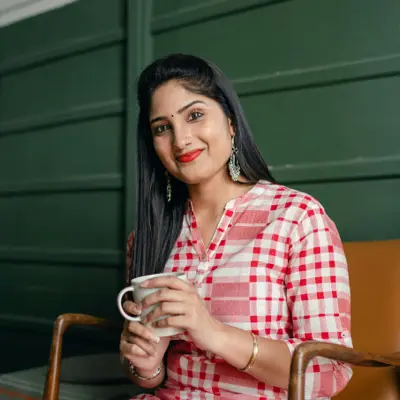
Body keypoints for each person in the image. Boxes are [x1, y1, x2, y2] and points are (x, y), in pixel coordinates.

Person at [119, 53, 353, 400]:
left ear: (230, 122)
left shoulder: (297, 217)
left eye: (194, 115)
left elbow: (329, 371)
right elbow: (149, 377)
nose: (180, 140)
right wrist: (146, 364)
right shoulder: (148, 237)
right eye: (162, 128)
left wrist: (213, 332)